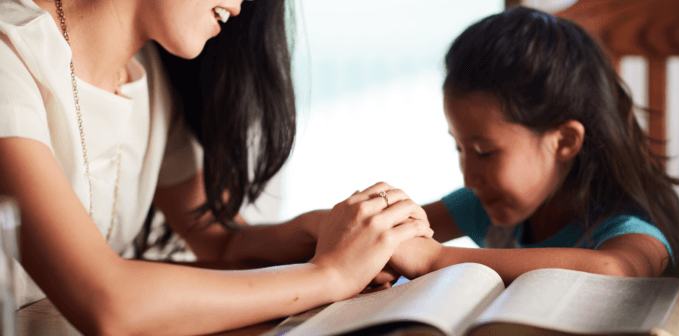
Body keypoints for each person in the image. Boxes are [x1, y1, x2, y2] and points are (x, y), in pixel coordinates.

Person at [0, 0, 432, 334]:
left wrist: (318, 230)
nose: (242, 6)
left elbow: (221, 244)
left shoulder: (146, 74)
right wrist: (329, 275)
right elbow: (108, 304)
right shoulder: (9, 56)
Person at [383, 7, 679, 284]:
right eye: (460, 149)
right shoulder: (485, 204)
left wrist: (434, 259)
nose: (469, 178)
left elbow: (613, 270)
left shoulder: (626, 230)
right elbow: (391, 236)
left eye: (483, 152)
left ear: (564, 142)